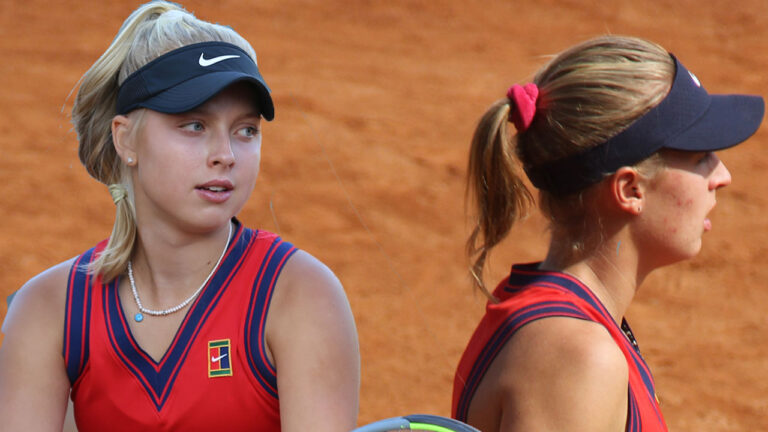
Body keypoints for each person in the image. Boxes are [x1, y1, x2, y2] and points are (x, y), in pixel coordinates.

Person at [0, 2, 360, 431]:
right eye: (194, 125)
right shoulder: (48, 311)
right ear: (125, 139)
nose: (226, 155)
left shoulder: (301, 297)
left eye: (246, 130)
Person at [451, 35, 764, 432]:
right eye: (702, 156)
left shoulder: (557, 321)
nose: (722, 176)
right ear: (630, 190)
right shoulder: (576, 355)